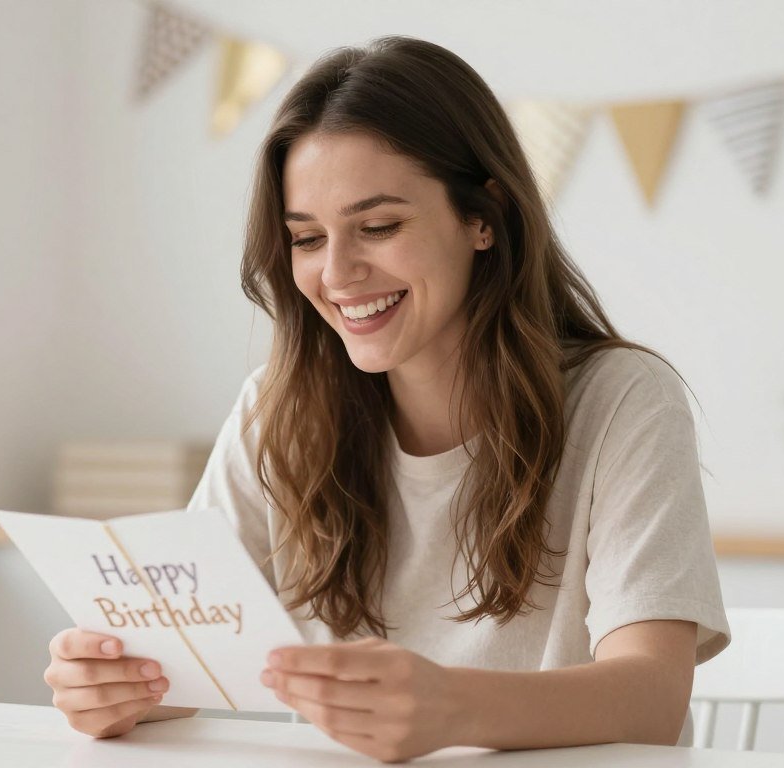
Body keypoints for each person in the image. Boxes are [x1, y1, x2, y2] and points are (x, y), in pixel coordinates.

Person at [44, 35, 730, 762]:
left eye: (378, 227)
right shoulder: (277, 411)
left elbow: (652, 696)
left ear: (483, 218)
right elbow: (184, 661)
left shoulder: (623, 401)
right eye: (307, 238)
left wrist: (451, 707)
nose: (338, 274)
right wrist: (115, 687)